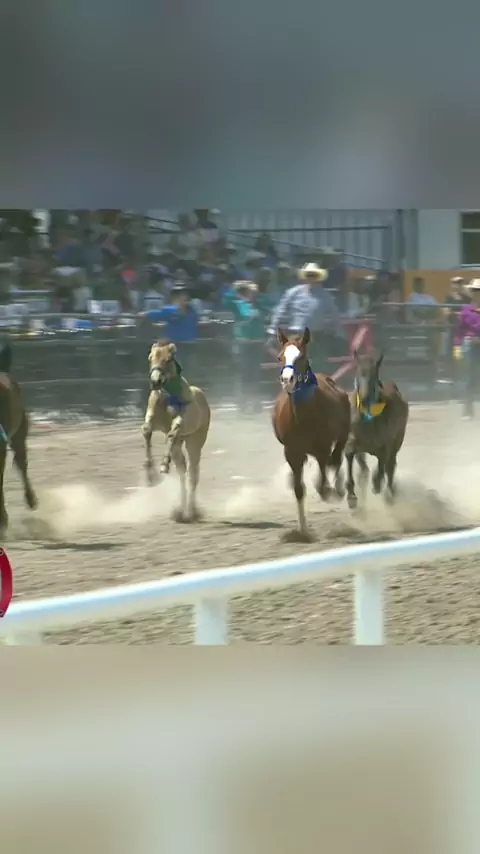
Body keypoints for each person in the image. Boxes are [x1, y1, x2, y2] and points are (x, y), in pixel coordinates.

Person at [268, 261, 346, 373]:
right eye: (309, 275)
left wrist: (339, 331)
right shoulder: (293, 293)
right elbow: (280, 311)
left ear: (318, 277)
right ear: (305, 277)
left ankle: (314, 382)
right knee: (294, 363)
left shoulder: (325, 295)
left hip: (317, 334)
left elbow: (334, 314)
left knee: (318, 364)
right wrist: (272, 330)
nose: (311, 277)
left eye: (313, 275)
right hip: (296, 334)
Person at [222, 280, 269, 412]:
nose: (252, 294)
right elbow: (225, 300)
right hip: (243, 343)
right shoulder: (237, 304)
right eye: (250, 292)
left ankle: (255, 401)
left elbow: (269, 304)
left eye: (253, 292)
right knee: (244, 373)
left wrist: (258, 293)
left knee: (255, 373)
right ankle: (242, 401)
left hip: (257, 343)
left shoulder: (259, 306)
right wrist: (235, 287)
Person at [453, 279, 480, 418]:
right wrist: (457, 346)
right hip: (470, 345)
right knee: (469, 378)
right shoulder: (466, 310)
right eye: (475, 291)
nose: (477, 293)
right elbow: (460, 330)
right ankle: (468, 411)